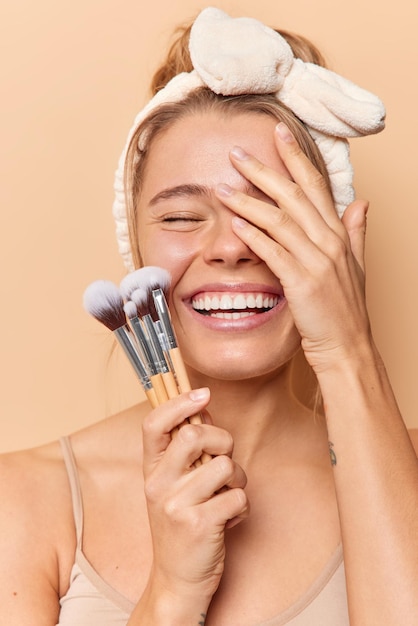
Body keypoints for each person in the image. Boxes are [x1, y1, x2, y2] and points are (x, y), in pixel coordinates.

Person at [1, 7, 417, 625]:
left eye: (271, 213)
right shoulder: (23, 500)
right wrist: (170, 592)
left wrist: (347, 350)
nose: (230, 247)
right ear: (135, 249)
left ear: (330, 241)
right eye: (179, 217)